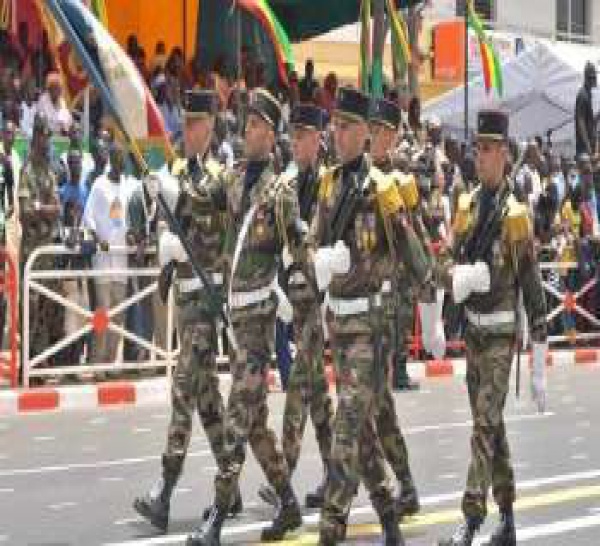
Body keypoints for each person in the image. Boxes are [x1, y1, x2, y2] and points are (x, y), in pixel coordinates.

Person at [309, 87, 438, 545]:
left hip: (371, 325)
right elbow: (311, 245)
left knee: (346, 428)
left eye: (346, 127)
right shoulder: (327, 184)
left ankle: (331, 528)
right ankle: (388, 515)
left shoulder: (383, 189)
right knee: (364, 432)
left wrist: (433, 310)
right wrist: (318, 264)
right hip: (338, 326)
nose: (338, 134)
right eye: (335, 126)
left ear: (366, 133)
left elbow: (413, 250)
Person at [187, 89, 303, 545]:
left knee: (237, 419)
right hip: (234, 325)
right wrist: (171, 186)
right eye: (246, 121)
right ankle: (289, 504)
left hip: (259, 323)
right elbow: (200, 202)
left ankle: (216, 516)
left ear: (270, 134)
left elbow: (297, 249)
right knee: (255, 428)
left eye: (256, 124)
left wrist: (297, 290)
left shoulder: (280, 193)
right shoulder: (234, 180)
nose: (247, 129)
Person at [438, 109, 548, 546]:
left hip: (501, 337)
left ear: (504, 154)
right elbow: (444, 259)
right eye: (476, 149)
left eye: (487, 150)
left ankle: (470, 520)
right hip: (474, 335)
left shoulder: (516, 217)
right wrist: (458, 278)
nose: (479, 158)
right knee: (493, 429)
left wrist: (538, 364)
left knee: (483, 426)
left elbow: (533, 289)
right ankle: (508, 519)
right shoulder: (466, 207)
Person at [133, 89, 242, 532]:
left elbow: (214, 221)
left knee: (183, 390)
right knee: (207, 400)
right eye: (187, 123)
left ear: (211, 127)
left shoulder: (220, 176)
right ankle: (229, 487)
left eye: (197, 123)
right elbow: (165, 221)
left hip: (205, 299)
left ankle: (165, 488)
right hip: (183, 298)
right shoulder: (176, 171)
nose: (188, 131)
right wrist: (163, 238)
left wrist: (177, 202)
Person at [258, 103, 334, 510]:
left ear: (317, 140)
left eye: (302, 136)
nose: (295, 143)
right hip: (294, 296)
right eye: (294, 136)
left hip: (319, 300)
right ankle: (336, 475)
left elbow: (331, 240)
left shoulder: (328, 184)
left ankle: (284, 476)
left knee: (297, 392)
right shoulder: (289, 181)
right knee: (318, 398)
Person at [368, 97, 429, 519]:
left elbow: (414, 241)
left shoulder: (398, 183)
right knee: (375, 403)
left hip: (386, 303)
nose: (375, 136)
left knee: (367, 400)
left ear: (390, 136)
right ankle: (401, 483)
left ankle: (345, 484)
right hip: (354, 304)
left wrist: (428, 302)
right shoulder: (352, 174)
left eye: (381, 130)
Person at [83, 140, 136, 366]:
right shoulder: (99, 185)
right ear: (111, 160)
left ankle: (110, 362)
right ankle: (97, 363)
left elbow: (131, 220)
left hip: (121, 259)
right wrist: (97, 238)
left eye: (122, 158)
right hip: (104, 260)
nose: (120, 161)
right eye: (117, 157)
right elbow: (89, 217)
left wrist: (133, 236)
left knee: (119, 315)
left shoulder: (129, 186)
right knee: (103, 313)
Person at [575, 62, 598, 159]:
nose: (596, 79)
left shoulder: (588, 94)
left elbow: (590, 122)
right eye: (594, 77)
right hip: (584, 148)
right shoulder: (583, 95)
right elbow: (581, 122)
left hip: (589, 145)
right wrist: (588, 147)